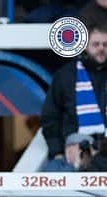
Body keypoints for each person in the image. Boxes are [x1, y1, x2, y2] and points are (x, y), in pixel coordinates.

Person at [40, 24, 107, 160]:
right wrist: (57, 152)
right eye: (96, 44)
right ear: (85, 47)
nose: (101, 49)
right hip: (79, 147)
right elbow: (50, 116)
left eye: (105, 45)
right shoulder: (65, 76)